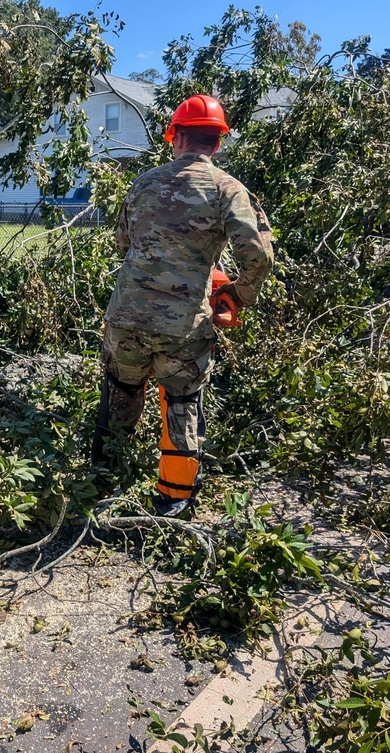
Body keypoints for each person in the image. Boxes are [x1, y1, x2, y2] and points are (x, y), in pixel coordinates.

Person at [92, 94, 275, 517]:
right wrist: (237, 294)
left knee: (120, 392)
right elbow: (259, 256)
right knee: (182, 402)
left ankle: (102, 482)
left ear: (175, 137)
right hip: (184, 328)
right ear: (218, 143)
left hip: (126, 317)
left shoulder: (143, 183)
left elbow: (125, 244)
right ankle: (173, 498)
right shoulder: (228, 189)